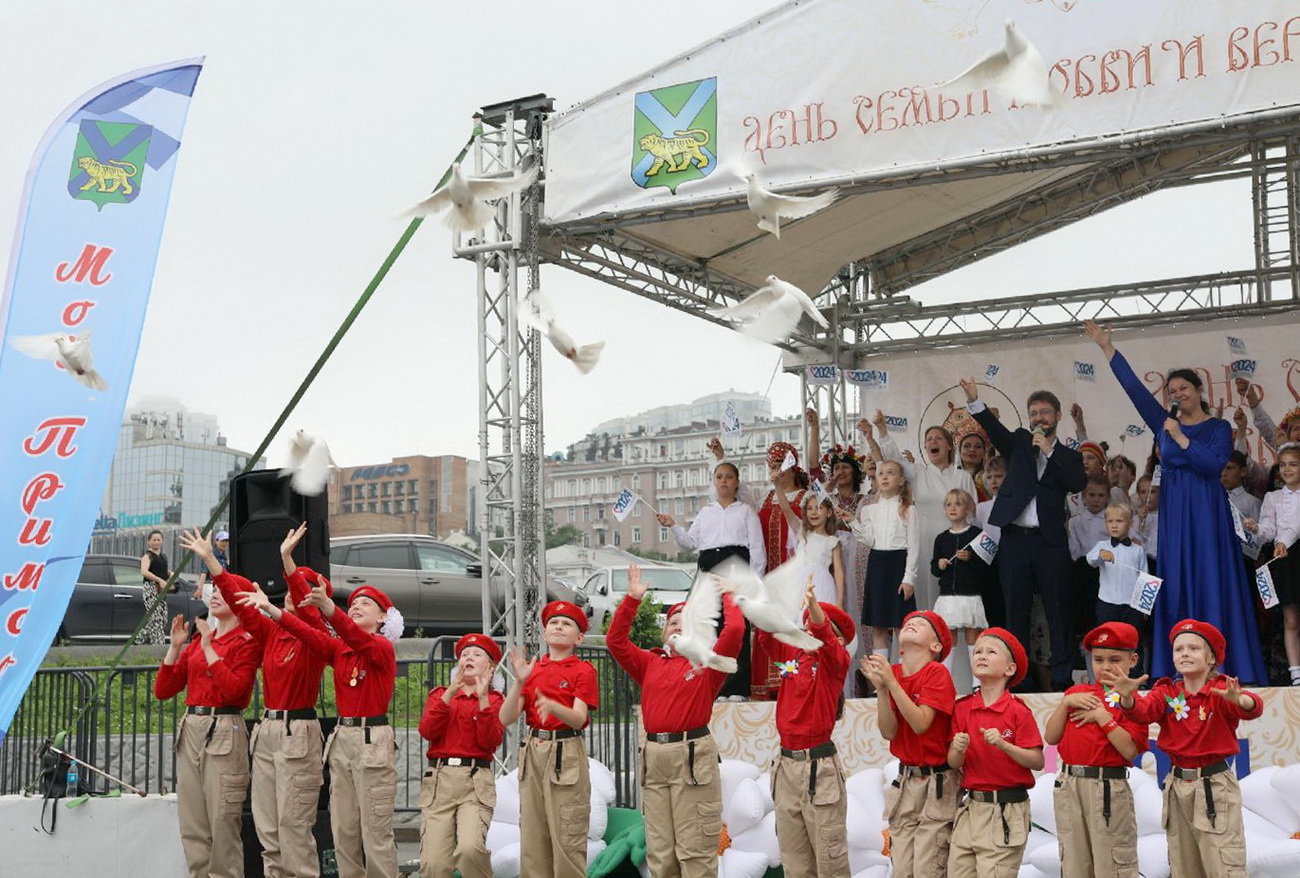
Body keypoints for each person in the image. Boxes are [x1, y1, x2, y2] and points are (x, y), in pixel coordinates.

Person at [1084, 320, 1266, 684]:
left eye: (1184, 388)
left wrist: (1181, 438)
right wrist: (1108, 349)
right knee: (1179, 581)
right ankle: (1176, 667)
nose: (1178, 394)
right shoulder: (1162, 421)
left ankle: (1224, 667)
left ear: (1198, 390)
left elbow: (1213, 465)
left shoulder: (1217, 429)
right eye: (1172, 391)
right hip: (1176, 515)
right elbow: (1134, 390)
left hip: (1208, 512)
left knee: (1213, 579)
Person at [185, 524, 329, 878]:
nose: (295, 595)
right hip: (268, 730)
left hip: (298, 731)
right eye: (295, 590)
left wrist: (286, 560)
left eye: (304, 591)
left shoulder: (315, 635)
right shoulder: (272, 630)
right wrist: (213, 564)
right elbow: (240, 602)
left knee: (293, 827)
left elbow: (307, 620)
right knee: (268, 831)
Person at [239, 580, 402, 878]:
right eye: (352, 603)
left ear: (383, 618)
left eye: (365, 603)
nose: (355, 606)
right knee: (344, 832)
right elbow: (307, 634)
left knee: (375, 833)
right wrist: (272, 610)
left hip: (372, 739)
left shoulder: (381, 647)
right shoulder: (341, 649)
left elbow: (355, 637)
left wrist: (329, 608)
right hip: (343, 739)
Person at [608, 564, 741, 878]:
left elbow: (734, 632)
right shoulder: (650, 662)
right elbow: (616, 642)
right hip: (654, 758)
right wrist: (631, 600)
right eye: (671, 622)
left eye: (686, 622)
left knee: (694, 851)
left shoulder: (709, 663)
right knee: (661, 852)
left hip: (691, 756)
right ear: (663, 632)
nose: (677, 626)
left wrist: (730, 596)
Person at [959, 376, 1087, 691]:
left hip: (1050, 543)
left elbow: (1077, 483)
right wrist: (975, 399)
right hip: (1015, 540)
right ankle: (1017, 679)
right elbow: (993, 428)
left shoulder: (1068, 455)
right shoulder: (1018, 442)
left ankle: (1061, 679)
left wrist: (1050, 451)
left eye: (1044, 412)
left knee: (1059, 612)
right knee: (1015, 612)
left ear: (1056, 417)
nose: (1038, 418)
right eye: (1033, 413)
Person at [1114, 620, 1262, 878]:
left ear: (1212, 658)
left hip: (1213, 785)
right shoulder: (1166, 692)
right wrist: (1127, 698)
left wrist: (1241, 699)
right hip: (1177, 785)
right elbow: (1142, 712)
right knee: (1183, 863)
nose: (1184, 653)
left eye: (1193, 648)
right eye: (1178, 649)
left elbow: (1252, 706)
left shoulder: (1221, 691)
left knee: (1223, 862)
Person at [745, 580, 853, 878]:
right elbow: (767, 632)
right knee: (794, 860)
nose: (809, 630)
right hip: (787, 765)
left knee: (830, 862)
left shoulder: (835, 663)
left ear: (838, 640)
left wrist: (815, 609)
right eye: (805, 626)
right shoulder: (792, 660)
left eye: (815, 626)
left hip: (819, 769)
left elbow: (826, 640)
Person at [154, 573, 260, 878]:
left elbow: (236, 692)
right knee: (193, 820)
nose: (214, 596)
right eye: (214, 592)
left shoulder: (245, 641)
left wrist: (212, 650)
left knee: (222, 820)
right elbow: (163, 690)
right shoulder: (199, 641)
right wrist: (175, 648)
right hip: (192, 725)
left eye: (223, 594)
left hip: (224, 726)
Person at [499, 601, 598, 878]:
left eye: (566, 624)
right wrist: (519, 682)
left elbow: (579, 719)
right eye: (553, 623)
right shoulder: (534, 670)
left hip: (565, 750)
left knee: (567, 835)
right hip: (534, 749)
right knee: (533, 835)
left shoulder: (583, 670)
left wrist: (553, 707)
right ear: (544, 633)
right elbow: (505, 718)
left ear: (579, 638)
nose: (558, 626)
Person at [1045, 622, 1147, 878]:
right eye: (1098, 659)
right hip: (1070, 784)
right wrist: (1065, 702)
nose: (1105, 667)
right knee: (1074, 862)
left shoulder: (1132, 701)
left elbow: (1129, 750)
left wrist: (1103, 717)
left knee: (1112, 862)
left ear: (1132, 660)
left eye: (1115, 659)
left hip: (1106, 787)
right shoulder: (1078, 692)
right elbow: (1051, 736)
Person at [862, 610, 959, 878]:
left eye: (922, 624)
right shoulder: (892, 674)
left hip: (936, 784)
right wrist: (882, 689)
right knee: (901, 869)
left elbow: (920, 723)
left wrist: (891, 683)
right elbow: (889, 732)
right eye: (908, 623)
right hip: (905, 781)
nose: (912, 623)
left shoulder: (936, 673)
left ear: (935, 646)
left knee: (929, 868)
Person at [660, 458, 765, 700]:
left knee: (737, 628)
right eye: (719, 477)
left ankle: (738, 687)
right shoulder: (706, 512)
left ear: (737, 482)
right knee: (711, 629)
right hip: (709, 572)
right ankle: (718, 686)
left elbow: (757, 550)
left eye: (729, 477)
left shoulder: (746, 512)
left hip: (735, 570)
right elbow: (689, 543)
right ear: (713, 482)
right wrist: (673, 526)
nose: (724, 481)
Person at [946, 627, 1044, 878]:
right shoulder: (963, 707)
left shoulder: (1017, 711)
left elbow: (1037, 761)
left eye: (991, 652)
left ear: (1009, 669)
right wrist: (957, 749)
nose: (981, 655)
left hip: (1005, 810)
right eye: (977, 651)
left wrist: (1004, 745)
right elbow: (953, 762)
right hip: (972, 807)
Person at [418, 633, 505, 878]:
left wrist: (483, 698)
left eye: (477, 654)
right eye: (464, 654)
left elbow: (490, 741)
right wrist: (451, 693)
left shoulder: (496, 700)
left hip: (475, 779)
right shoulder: (440, 694)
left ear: (490, 666)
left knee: (469, 849)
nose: (469, 657)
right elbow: (427, 730)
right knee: (434, 862)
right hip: (439, 780)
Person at [874, 409, 977, 611]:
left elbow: (973, 516)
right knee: (924, 593)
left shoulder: (962, 476)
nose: (932, 442)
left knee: (953, 596)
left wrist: (968, 548)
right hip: (922, 540)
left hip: (954, 542)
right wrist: (882, 430)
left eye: (938, 438)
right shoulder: (918, 472)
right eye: (928, 439)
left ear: (949, 446)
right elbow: (895, 459)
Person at [842, 459, 919, 661]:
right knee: (878, 626)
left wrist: (909, 578)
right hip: (877, 565)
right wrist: (853, 522)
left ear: (901, 480)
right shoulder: (869, 510)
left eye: (891, 473)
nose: (885, 476)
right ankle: (881, 679)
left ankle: (904, 675)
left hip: (898, 565)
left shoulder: (908, 509)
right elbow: (868, 539)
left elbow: (914, 546)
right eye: (881, 473)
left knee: (902, 626)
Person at [1247, 442, 1300, 685]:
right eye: (1283, 465)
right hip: (1283, 559)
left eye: (1294, 464)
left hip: (1290, 550)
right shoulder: (1273, 496)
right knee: (1290, 618)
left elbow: (1296, 525)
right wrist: (1256, 528)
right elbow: (1268, 529)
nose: (1287, 469)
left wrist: (1283, 541)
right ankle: (1296, 673)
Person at [931, 489, 991, 669]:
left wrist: (970, 558)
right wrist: (939, 565)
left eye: (958, 504)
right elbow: (934, 569)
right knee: (948, 638)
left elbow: (988, 566)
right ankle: (945, 678)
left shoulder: (978, 535)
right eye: (949, 504)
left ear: (968, 509)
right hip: (948, 596)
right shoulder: (941, 538)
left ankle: (977, 682)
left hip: (970, 595)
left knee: (973, 636)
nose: (953, 508)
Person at [775, 489, 846, 607]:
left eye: (819, 508)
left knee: (818, 620)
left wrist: (840, 600)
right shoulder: (802, 532)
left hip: (822, 586)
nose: (813, 512)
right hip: (799, 584)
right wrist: (777, 484)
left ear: (829, 512)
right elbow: (786, 508)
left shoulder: (832, 542)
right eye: (810, 508)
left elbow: (839, 571)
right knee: (799, 619)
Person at [1068, 474, 1113, 644]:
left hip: (1107, 571)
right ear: (1084, 497)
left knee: (1103, 615)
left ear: (1107, 497)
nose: (1096, 500)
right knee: (1085, 617)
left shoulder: (1111, 520)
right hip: (1083, 571)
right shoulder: (1075, 522)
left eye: (1101, 495)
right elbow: (1074, 550)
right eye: (1092, 495)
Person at [974, 456, 1007, 628]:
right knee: (992, 605)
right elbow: (978, 534)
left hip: (1010, 560)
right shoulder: (982, 508)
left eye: (999, 476)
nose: (994, 481)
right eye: (990, 477)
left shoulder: (1014, 505)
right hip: (989, 562)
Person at [141, 529, 172, 644]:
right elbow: (144, 571)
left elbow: (160, 569)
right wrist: (159, 580)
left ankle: (139, 639)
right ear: (149, 541)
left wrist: (169, 573)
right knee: (156, 618)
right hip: (151, 588)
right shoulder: (147, 556)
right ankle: (158, 645)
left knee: (163, 618)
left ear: (162, 541)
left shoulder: (163, 556)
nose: (156, 542)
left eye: (158, 540)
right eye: (154, 540)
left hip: (161, 590)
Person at [1067, 442, 1109, 517]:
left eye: (1090, 458)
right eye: (1082, 459)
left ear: (1100, 464)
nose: (1085, 462)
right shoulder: (1068, 492)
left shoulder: (1111, 491)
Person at [195, 529, 232, 598]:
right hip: (210, 585)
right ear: (216, 541)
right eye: (222, 541)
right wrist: (199, 589)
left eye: (226, 541)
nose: (225, 543)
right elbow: (204, 572)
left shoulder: (224, 556)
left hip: (221, 586)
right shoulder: (210, 554)